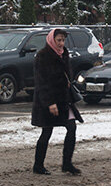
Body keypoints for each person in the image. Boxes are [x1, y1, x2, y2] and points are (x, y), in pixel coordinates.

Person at [31, 27, 83, 176]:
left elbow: (67, 73)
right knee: (47, 131)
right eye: (58, 40)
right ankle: (38, 165)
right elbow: (41, 82)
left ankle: (67, 163)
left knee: (71, 128)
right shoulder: (43, 56)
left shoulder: (64, 54)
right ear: (51, 40)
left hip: (64, 99)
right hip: (48, 100)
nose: (61, 43)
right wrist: (49, 103)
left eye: (63, 40)